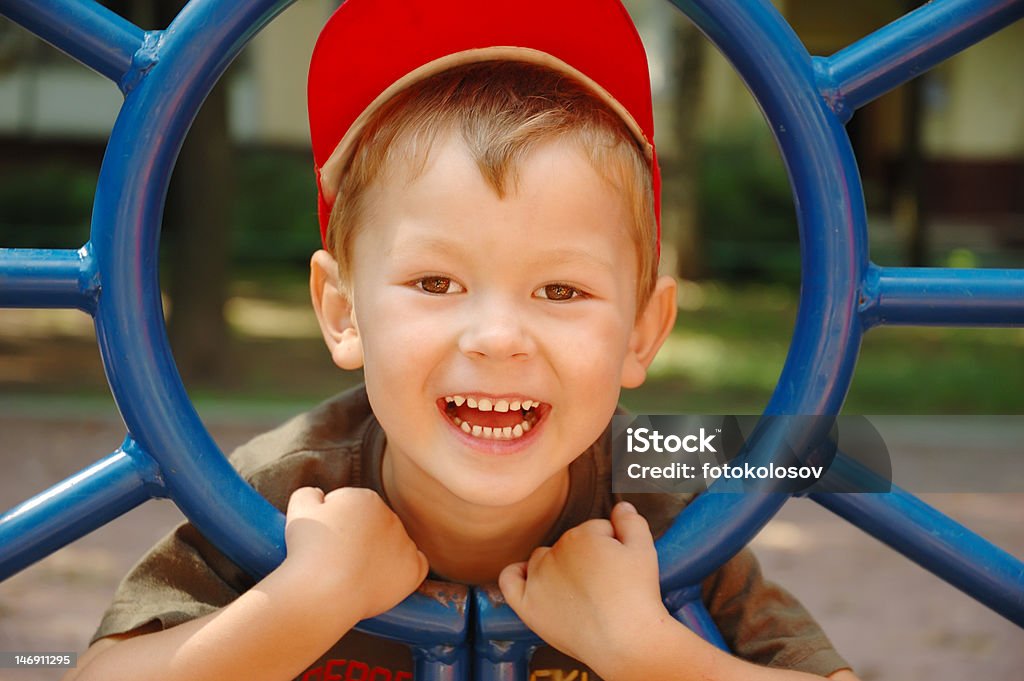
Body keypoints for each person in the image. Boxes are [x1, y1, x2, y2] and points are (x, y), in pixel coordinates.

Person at [66, 0, 860, 679]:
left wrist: (649, 650)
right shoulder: (283, 493)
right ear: (341, 310)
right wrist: (303, 599)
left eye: (560, 289)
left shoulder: (669, 505)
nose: (497, 336)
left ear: (642, 331)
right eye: (436, 283)